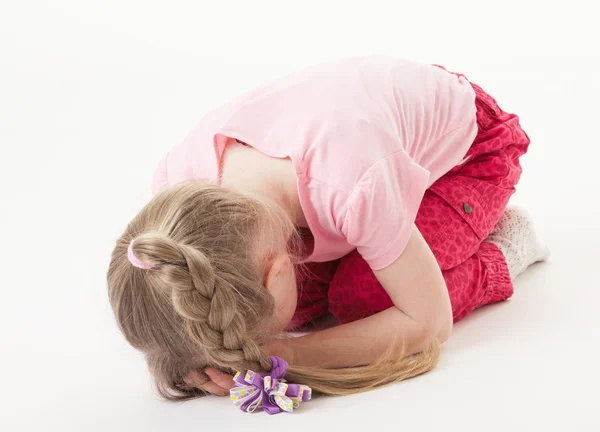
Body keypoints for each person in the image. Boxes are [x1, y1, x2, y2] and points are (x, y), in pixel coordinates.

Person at [107, 56, 549, 401]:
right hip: (352, 146)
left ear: (279, 269)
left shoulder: (355, 181)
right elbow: (175, 285)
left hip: (470, 151)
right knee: (285, 311)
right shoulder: (176, 193)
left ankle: (504, 249)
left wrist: (286, 353)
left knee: (361, 299)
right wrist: (182, 349)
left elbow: (428, 322)